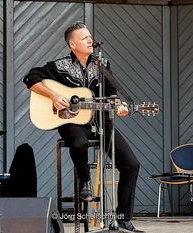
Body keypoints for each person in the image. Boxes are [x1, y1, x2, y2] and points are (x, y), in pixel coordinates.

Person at [23, 21, 144, 232]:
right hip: (71, 122)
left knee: (131, 164)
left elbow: (112, 90)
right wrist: (53, 95)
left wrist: (118, 104)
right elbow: (30, 78)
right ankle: (84, 179)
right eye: (84, 38)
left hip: (101, 121)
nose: (90, 40)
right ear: (72, 44)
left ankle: (123, 217)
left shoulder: (101, 64)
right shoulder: (58, 66)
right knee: (78, 143)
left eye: (90, 37)